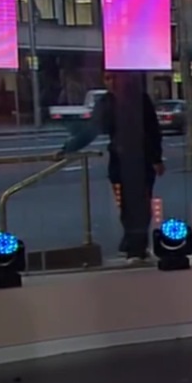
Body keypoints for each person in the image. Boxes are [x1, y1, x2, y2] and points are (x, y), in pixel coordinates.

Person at [57, 71, 165, 262]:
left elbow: (152, 130)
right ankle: (133, 244)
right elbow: (92, 130)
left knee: (139, 206)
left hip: (141, 162)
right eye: (108, 78)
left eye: (115, 77)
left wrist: (156, 159)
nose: (112, 82)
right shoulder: (107, 103)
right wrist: (69, 147)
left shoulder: (139, 100)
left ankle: (135, 246)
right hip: (120, 163)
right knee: (126, 205)